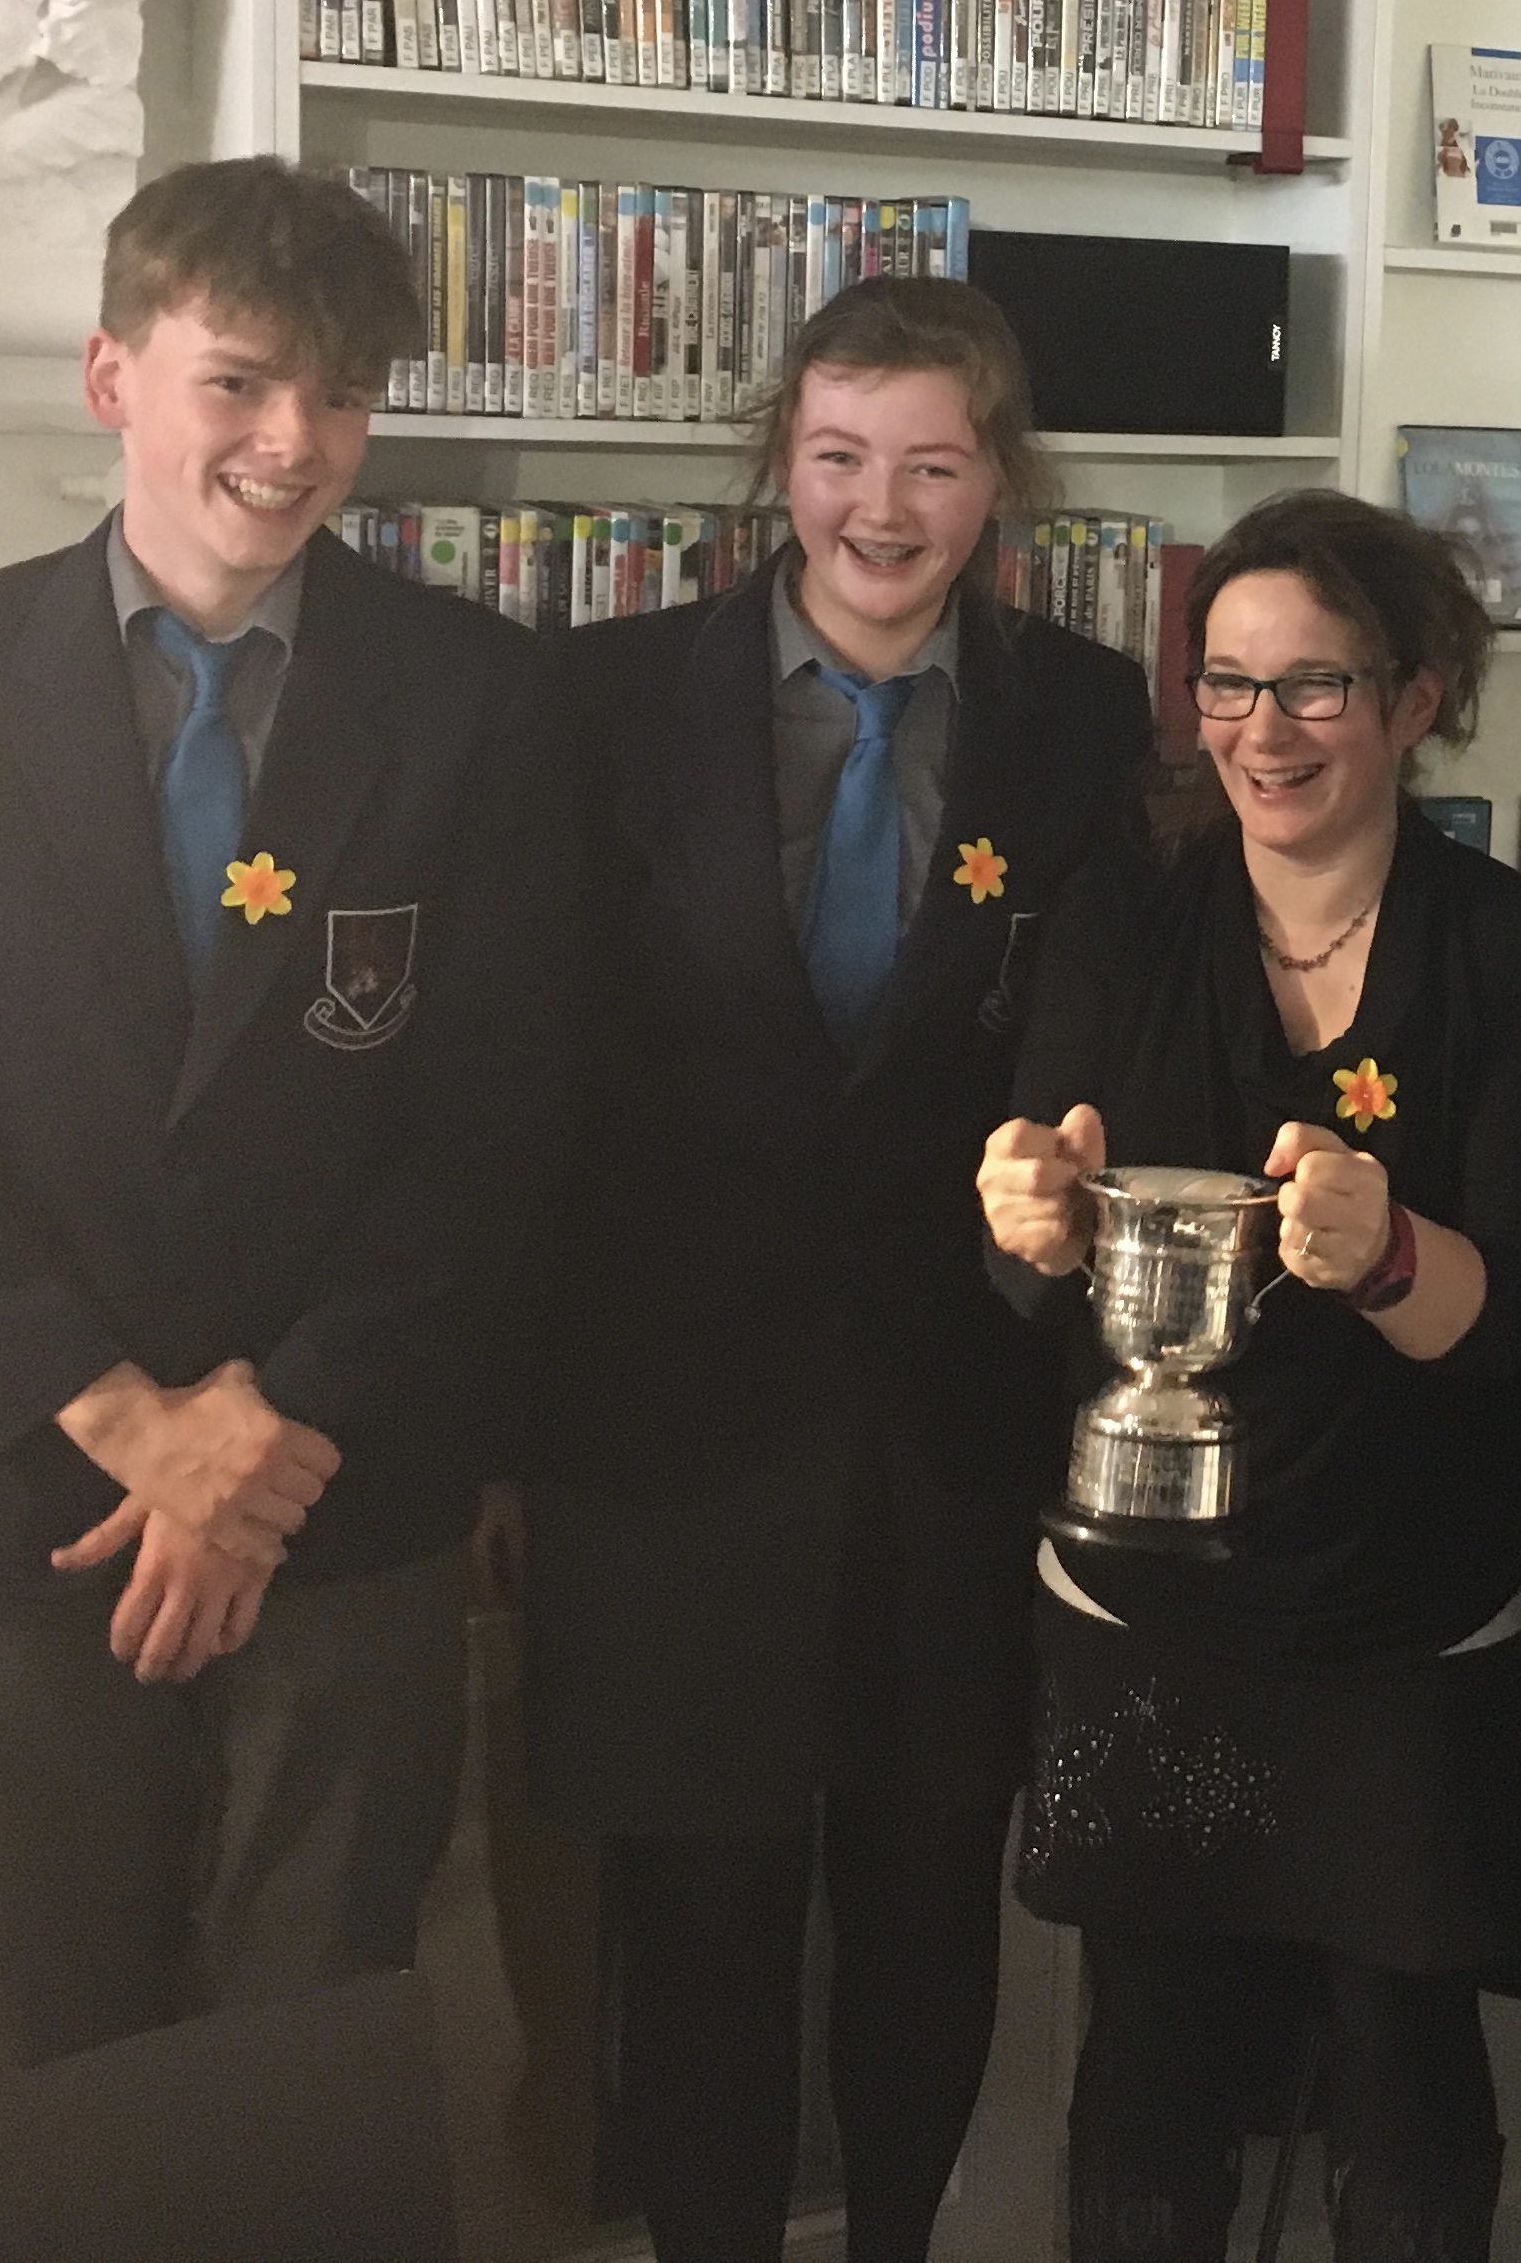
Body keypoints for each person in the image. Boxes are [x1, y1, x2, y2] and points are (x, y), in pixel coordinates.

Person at [0, 157, 573, 2067]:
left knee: (321, 2042)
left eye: (345, 395)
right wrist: (130, 1425)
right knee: (72, 2044)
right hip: (32, 1499)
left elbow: (496, 1123)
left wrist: (264, 1440)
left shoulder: (479, 702)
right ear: (114, 374)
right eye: (243, 381)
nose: (297, 443)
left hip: (340, 1496)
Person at [521, 275, 1153, 2263]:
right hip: (668, 1433)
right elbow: (540, 1070)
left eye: (932, 466)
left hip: (952, 1420)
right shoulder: (608, 702)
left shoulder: (1075, 715)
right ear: (776, 467)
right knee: (695, 1922)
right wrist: (506, 1436)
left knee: (923, 1891)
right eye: (837, 459)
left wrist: (1058, 1150)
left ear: (998, 486)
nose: (880, 509)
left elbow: (1095, 1016)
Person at [976, 489, 1521, 2263]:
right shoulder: (1123, 922)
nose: (1264, 735)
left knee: (1406, 2078)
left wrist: (1385, 1254)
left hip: (1402, 1621)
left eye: (1315, 689)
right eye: (1229, 687)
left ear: (1415, 701)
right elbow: (1027, 1282)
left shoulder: (1511, 954)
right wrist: (1024, 1220)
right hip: (1145, 1611)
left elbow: (1517, 1336)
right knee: (1155, 2075)